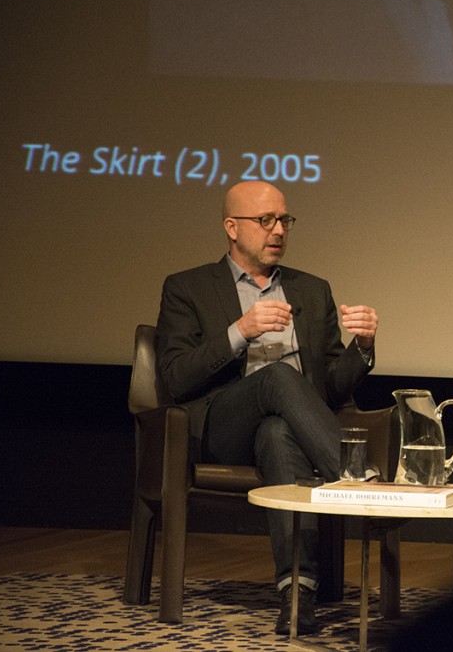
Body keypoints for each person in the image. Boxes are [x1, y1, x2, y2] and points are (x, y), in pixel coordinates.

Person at [155, 180, 379, 634]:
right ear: (231, 227)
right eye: (265, 221)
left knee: (277, 431)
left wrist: (364, 346)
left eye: (284, 220)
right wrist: (240, 330)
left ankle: (298, 595)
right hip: (222, 427)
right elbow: (175, 378)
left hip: (291, 432)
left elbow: (332, 388)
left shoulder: (312, 290)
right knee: (277, 376)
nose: (278, 230)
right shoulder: (187, 287)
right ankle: (358, 481)